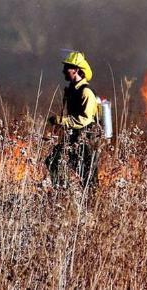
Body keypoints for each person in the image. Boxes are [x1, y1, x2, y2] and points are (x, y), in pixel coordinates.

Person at [46, 51, 101, 189]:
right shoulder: (72, 90)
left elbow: (85, 119)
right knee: (52, 161)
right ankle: (62, 193)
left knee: (88, 178)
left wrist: (62, 121)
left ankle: (91, 203)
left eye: (67, 68)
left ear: (76, 70)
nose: (64, 71)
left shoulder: (86, 92)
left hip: (86, 139)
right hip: (74, 137)